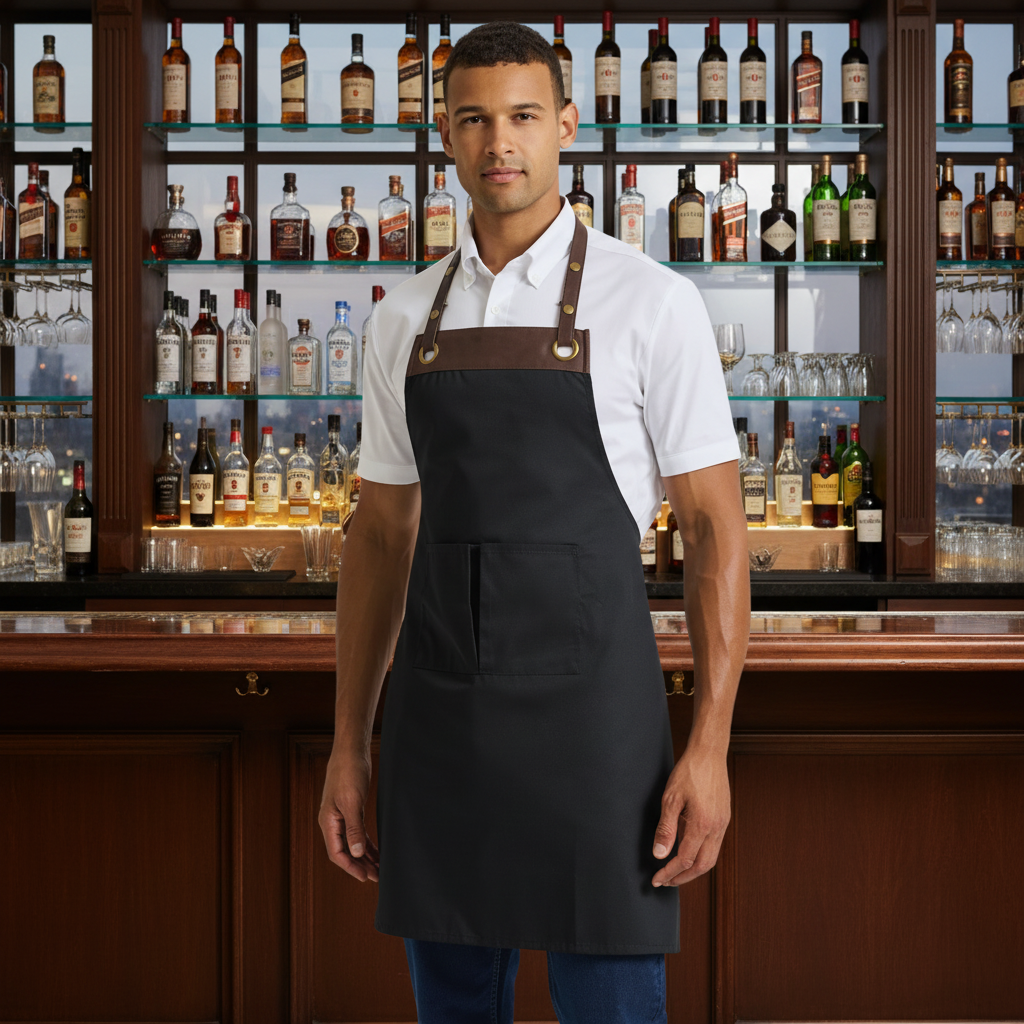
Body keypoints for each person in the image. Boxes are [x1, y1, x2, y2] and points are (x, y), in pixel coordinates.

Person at [318, 21, 749, 1024]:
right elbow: (380, 536)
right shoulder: (403, 317)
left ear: (564, 124)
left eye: (520, 116)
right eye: (472, 119)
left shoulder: (653, 302)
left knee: (612, 1005)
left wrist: (711, 745)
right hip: (441, 723)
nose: (496, 142)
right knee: (453, 1007)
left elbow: (715, 532)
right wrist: (349, 744)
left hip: (597, 729)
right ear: (445, 137)